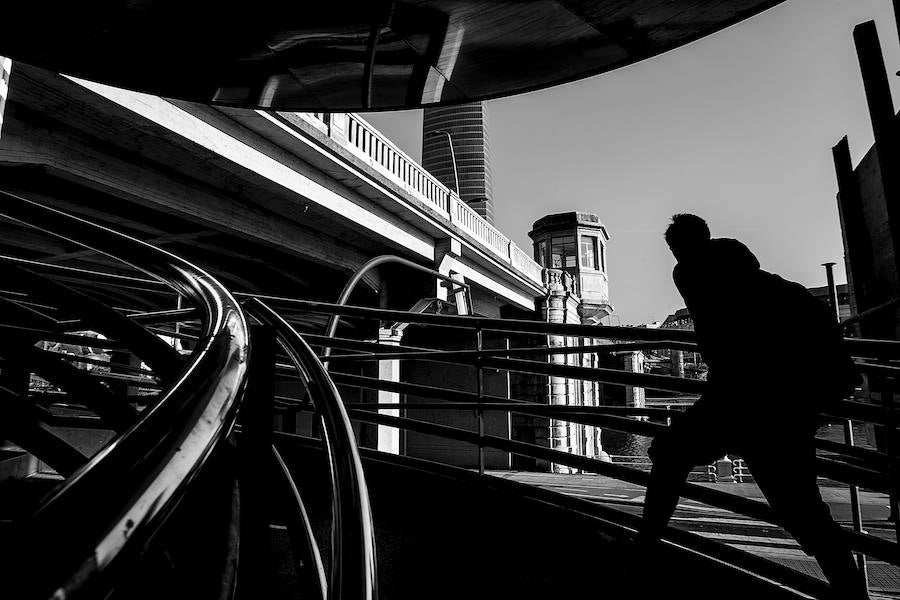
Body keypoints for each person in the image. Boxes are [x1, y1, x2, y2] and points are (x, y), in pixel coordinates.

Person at [637, 213, 866, 599]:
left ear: (682, 250)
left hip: (740, 401)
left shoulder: (691, 277)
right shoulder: (776, 288)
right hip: (778, 406)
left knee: (670, 458)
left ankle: (645, 548)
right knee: (804, 514)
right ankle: (851, 593)